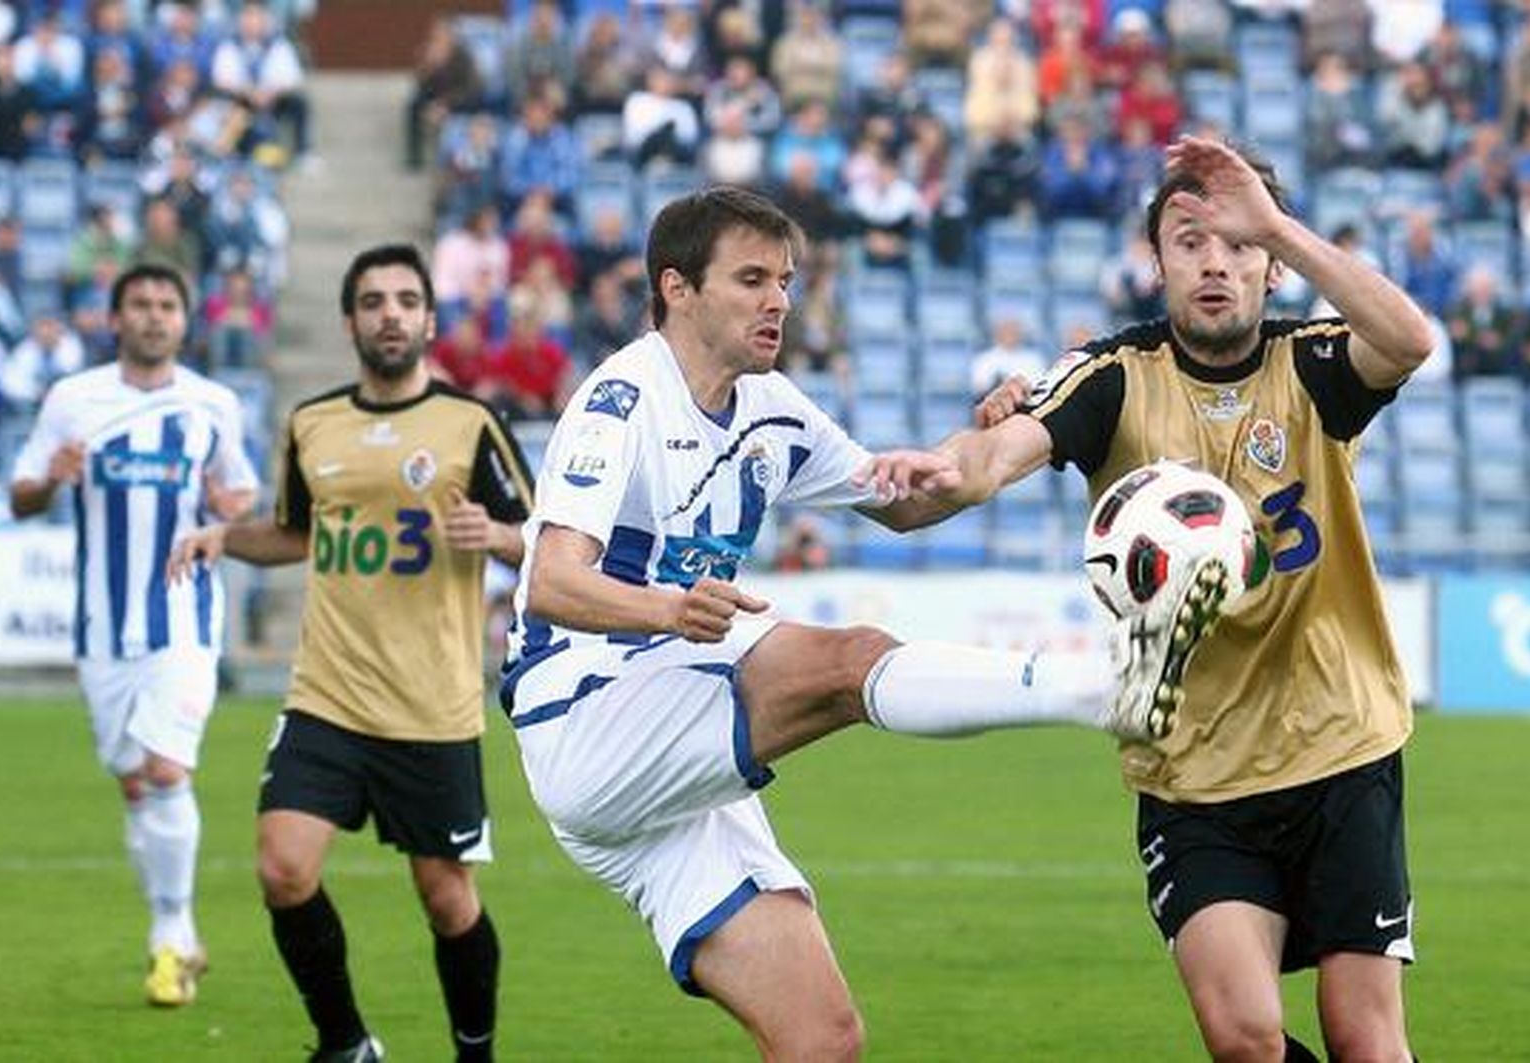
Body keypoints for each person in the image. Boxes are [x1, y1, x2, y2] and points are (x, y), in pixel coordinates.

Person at [498, 186, 1213, 1059]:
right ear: (677, 288)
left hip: (670, 751)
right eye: (752, 279)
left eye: (787, 281)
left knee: (823, 1038)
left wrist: (996, 434)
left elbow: (902, 500)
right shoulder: (620, 405)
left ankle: (1108, 688)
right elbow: (550, 581)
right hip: (590, 714)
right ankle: (1107, 687)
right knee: (847, 664)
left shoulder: (770, 406)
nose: (779, 302)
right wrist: (668, 607)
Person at [872, 137, 1436, 1062]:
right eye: (1190, 241)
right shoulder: (1113, 377)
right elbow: (994, 456)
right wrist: (940, 472)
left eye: (1238, 245)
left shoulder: (1317, 366)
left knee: (1365, 1040)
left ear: (1268, 262)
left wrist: (1280, 226)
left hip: (1340, 746)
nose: (1216, 262)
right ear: (1158, 261)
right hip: (1191, 770)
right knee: (1244, 1039)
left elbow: (1412, 339)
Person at [167, 244, 533, 1062]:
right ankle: (345, 1043)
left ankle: (474, 1052)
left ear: (430, 319)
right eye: (373, 301)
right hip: (325, 697)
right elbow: (295, 532)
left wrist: (501, 534)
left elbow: (545, 539)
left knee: (446, 897)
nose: (390, 314)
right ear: (350, 322)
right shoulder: (313, 422)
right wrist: (222, 536)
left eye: (406, 299)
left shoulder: (471, 424)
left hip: (432, 704)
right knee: (283, 868)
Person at [8, 264, 259, 1007]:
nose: (154, 316)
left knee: (164, 768)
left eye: (167, 305)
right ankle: (170, 925)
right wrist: (51, 477)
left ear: (185, 319)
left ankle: (170, 937)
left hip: (183, 618)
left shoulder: (211, 404)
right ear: (114, 319)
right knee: (134, 783)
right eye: (140, 305)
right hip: (101, 628)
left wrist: (228, 505)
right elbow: (21, 496)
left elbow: (239, 490)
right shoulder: (72, 400)